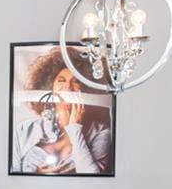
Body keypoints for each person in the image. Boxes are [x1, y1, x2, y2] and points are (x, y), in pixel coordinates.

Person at [12, 46, 112, 174]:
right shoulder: (24, 129)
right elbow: (13, 176)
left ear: (84, 89)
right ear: (50, 87)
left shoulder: (101, 132)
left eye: (75, 81)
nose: (67, 87)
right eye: (61, 80)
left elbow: (93, 177)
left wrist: (74, 128)